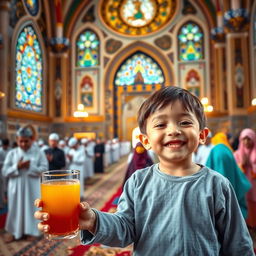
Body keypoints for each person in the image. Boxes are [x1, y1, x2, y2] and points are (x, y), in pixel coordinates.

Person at [34, 86, 254, 255]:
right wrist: (93, 220)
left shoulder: (217, 184)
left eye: (185, 122)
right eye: (160, 125)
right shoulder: (138, 182)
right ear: (145, 140)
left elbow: (238, 244)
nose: (174, 130)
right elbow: (124, 228)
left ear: (203, 135)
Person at [2, 127, 48, 242]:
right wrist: (17, 166)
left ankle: (32, 232)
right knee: (15, 209)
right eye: (20, 141)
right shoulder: (12, 154)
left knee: (31, 209)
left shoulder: (39, 153)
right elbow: (4, 171)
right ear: (17, 140)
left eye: (26, 141)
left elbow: (44, 170)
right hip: (15, 188)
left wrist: (30, 167)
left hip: (32, 188)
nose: (23, 144)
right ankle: (14, 232)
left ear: (31, 140)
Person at [206, 143, 251, 219]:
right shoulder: (238, 180)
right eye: (219, 163)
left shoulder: (203, 183)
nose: (222, 170)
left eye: (225, 164)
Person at [234, 128, 256, 228]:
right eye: (244, 139)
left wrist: (252, 164)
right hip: (243, 188)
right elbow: (235, 172)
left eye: (249, 139)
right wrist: (241, 164)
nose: (246, 142)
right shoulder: (237, 154)